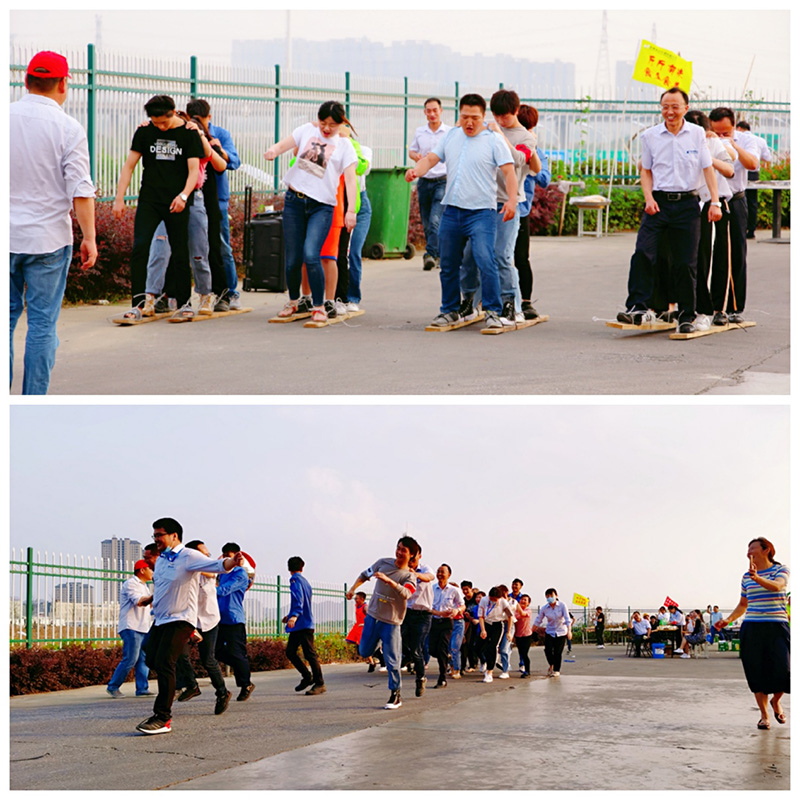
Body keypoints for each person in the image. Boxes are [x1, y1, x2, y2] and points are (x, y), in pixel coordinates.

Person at [10, 50, 97, 395]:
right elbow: (81, 190)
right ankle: (33, 403)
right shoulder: (69, 128)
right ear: (63, 84)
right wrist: (89, 237)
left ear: (26, 81)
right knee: (42, 326)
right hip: (48, 240)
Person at [405, 93, 517, 331]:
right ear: (459, 115)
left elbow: (509, 172)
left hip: (481, 213)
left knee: (485, 259)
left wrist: (512, 201)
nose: (469, 122)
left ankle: (492, 311)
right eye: (465, 116)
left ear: (483, 116)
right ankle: (449, 310)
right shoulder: (451, 136)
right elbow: (431, 159)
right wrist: (416, 171)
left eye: (474, 117)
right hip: (453, 210)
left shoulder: (494, 140)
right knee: (448, 263)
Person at [617, 88, 722, 334]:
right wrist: (648, 198)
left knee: (686, 262)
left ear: (686, 108)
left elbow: (707, 168)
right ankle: (637, 308)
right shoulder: (650, 136)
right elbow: (646, 170)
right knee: (643, 253)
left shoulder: (697, 133)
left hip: (687, 204)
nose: (670, 111)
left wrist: (715, 202)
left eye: (675, 106)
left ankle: (686, 315)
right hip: (658, 204)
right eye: (665, 107)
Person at [137, 517, 245, 734]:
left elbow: (216, 566)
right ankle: (187, 685)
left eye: (159, 535)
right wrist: (150, 600)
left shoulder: (188, 556)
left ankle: (163, 717)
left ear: (174, 536)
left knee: (167, 663)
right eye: (154, 535)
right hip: (161, 620)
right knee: (150, 655)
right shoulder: (162, 561)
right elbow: (164, 588)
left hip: (181, 619)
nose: (156, 539)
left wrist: (232, 562)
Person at [264, 101, 358, 326]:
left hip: (321, 206)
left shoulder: (345, 145)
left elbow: (351, 179)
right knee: (293, 258)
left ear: (341, 123)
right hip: (294, 201)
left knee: (311, 254)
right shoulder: (307, 130)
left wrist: (351, 210)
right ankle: (294, 301)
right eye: (323, 122)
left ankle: (319, 305)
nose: (326, 128)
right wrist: (273, 151)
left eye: (332, 125)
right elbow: (284, 144)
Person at [113, 95, 202, 319]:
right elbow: (129, 166)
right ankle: (138, 304)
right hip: (150, 200)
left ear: (173, 112)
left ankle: (184, 303)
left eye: (164, 122)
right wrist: (119, 198)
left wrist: (184, 196)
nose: (160, 127)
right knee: (140, 248)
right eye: (156, 122)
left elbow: (194, 170)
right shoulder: (144, 131)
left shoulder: (189, 133)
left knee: (180, 251)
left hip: (177, 201)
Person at [460, 89, 538, 324]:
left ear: (515, 111)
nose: (501, 120)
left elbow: (519, 160)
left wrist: (500, 135)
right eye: (497, 115)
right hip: (482, 203)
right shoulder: (486, 131)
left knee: (502, 255)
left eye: (506, 115)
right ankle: (470, 302)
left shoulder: (526, 137)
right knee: (470, 255)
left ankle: (512, 306)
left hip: (508, 203)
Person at [143, 110, 229, 317]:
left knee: (199, 252)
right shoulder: (166, 141)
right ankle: (150, 298)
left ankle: (205, 295)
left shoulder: (195, 139)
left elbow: (220, 163)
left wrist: (198, 134)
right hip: (166, 200)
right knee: (159, 250)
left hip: (193, 199)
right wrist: (146, 127)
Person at [717, 538, 789, 730]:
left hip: (777, 626)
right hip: (752, 627)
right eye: (748, 549)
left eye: (753, 548)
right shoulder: (746, 577)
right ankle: (764, 716)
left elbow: (777, 586)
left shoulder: (780, 570)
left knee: (785, 670)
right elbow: (743, 604)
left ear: (766, 550)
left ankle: (776, 701)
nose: (749, 552)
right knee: (756, 672)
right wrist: (728, 620)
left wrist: (757, 578)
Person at [346, 536, 419, 709]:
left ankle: (395, 694)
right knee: (364, 651)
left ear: (411, 555)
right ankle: (379, 642)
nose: (399, 552)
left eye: (404, 550)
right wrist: (353, 589)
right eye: (398, 548)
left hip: (391, 622)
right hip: (372, 617)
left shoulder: (409, 576)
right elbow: (365, 574)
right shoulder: (383, 563)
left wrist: (389, 581)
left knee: (392, 661)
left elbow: (407, 593)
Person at [188, 98, 243, 311]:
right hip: (194, 197)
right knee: (197, 248)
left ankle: (230, 292)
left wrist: (220, 149)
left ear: (209, 117)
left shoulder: (221, 134)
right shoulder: (188, 131)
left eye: (201, 120)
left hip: (217, 198)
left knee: (221, 246)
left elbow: (234, 162)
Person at [683, 110, 736, 332]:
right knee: (691, 259)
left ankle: (715, 310)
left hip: (713, 205)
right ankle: (687, 308)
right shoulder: (679, 144)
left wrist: (707, 157)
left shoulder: (713, 144)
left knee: (714, 259)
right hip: (688, 205)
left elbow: (730, 169)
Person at [708, 107, 761, 325]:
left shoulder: (746, 140)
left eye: (726, 132)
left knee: (733, 254)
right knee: (708, 255)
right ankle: (707, 306)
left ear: (734, 126)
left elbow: (753, 164)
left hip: (734, 200)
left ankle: (732, 307)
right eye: (716, 132)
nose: (720, 136)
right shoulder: (705, 138)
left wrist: (732, 145)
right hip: (710, 201)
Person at [173, 540, 231, 715]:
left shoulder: (209, 572)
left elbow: (216, 571)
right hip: (190, 620)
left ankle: (222, 693)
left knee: (208, 660)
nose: (207, 558)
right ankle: (191, 685)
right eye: (203, 555)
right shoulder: (186, 574)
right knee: (179, 653)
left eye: (208, 555)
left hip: (210, 621)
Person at [514, 104, 551, 320]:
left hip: (520, 210)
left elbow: (545, 179)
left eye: (528, 127)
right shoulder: (502, 143)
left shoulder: (536, 150)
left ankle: (526, 302)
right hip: (496, 208)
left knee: (521, 257)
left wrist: (532, 153)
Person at [409, 97, 452, 270]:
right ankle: (439, 254)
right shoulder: (420, 132)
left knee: (435, 220)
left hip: (442, 180)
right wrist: (416, 157)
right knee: (427, 223)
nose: (432, 113)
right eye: (428, 110)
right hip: (424, 181)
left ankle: (430, 254)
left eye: (435, 110)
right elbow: (412, 151)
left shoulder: (449, 132)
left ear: (441, 111)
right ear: (424, 112)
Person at [107, 560, 153, 698]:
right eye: (150, 569)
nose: (153, 572)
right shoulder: (131, 584)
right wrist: (155, 596)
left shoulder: (145, 587)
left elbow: (149, 605)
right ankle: (113, 686)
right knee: (131, 659)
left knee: (143, 659)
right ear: (142, 570)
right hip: (131, 627)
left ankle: (142, 688)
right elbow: (139, 601)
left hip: (143, 627)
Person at [215, 542, 255, 703]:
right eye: (225, 556)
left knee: (237, 653)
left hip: (234, 619)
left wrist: (206, 591)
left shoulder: (240, 574)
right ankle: (242, 666)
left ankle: (246, 685)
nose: (227, 559)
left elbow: (224, 590)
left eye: (229, 556)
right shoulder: (223, 573)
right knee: (216, 652)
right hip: (220, 619)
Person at [282, 556, 326, 695]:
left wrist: (294, 615)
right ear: (302, 567)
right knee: (290, 652)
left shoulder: (294, 580)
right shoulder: (305, 582)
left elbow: (298, 598)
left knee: (310, 654)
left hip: (303, 624)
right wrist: (290, 616)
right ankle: (307, 677)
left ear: (289, 568)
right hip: (302, 624)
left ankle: (319, 683)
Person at [400, 549, 435, 697]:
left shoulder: (425, 569)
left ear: (419, 556)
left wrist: (415, 574)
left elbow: (429, 577)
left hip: (423, 615)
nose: (411, 562)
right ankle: (407, 656)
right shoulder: (402, 571)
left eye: (413, 559)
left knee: (417, 648)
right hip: (407, 613)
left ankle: (420, 678)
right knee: (398, 638)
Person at [428, 564, 465, 688]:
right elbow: (427, 607)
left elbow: (462, 605)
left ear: (449, 574)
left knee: (442, 648)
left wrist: (456, 610)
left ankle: (442, 678)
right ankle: (446, 657)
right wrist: (438, 613)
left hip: (447, 623)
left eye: (442, 572)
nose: (439, 574)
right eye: (438, 571)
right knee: (432, 650)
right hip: (434, 621)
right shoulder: (431, 589)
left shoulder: (454, 590)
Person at [735, 120, 771, 239]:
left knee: (739, 200)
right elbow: (767, 157)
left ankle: (741, 227)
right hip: (754, 173)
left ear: (739, 128)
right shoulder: (760, 140)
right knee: (752, 202)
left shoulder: (738, 139)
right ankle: (751, 230)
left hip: (739, 170)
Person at [477, 586, 515, 683]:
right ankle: (487, 662)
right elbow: (481, 616)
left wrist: (508, 632)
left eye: (495, 599)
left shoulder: (503, 602)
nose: (493, 601)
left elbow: (510, 616)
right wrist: (483, 630)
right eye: (492, 599)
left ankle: (489, 672)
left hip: (497, 625)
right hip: (486, 624)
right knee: (480, 647)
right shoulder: (484, 600)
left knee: (493, 647)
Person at [532, 588, 571, 676]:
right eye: (548, 596)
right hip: (550, 631)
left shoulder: (562, 605)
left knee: (558, 652)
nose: (550, 597)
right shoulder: (545, 608)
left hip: (561, 632)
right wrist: (531, 630)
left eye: (551, 595)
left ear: (556, 596)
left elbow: (567, 619)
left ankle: (556, 670)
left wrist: (569, 631)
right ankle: (551, 664)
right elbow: (538, 620)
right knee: (548, 650)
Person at [514, 594, 534, 678]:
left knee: (525, 653)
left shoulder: (528, 610)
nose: (522, 601)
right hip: (518, 635)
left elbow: (522, 613)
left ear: (528, 603)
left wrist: (516, 604)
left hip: (526, 635)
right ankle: (523, 667)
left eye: (525, 600)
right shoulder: (515, 611)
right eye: (521, 599)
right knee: (521, 653)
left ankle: (527, 671)